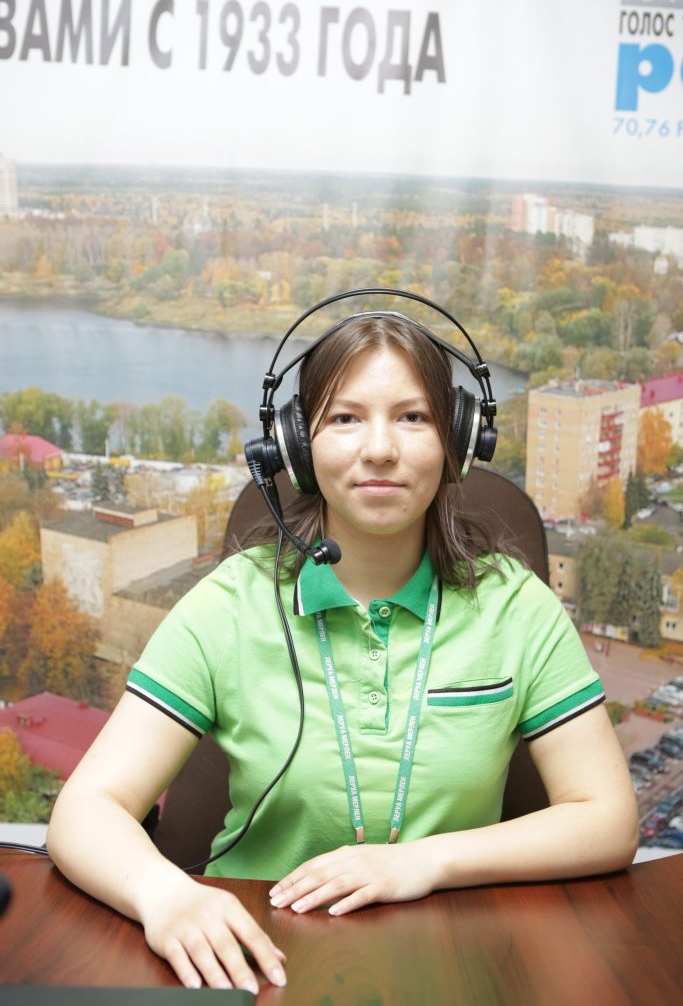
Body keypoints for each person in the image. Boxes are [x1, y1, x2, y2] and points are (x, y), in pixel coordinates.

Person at [47, 314, 638, 995]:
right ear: (296, 445)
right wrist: (165, 895)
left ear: (457, 439)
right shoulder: (229, 603)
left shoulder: (517, 606)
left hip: (452, 957)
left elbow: (607, 819)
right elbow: (85, 809)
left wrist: (423, 862)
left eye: (413, 417)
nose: (380, 449)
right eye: (345, 418)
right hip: (251, 957)